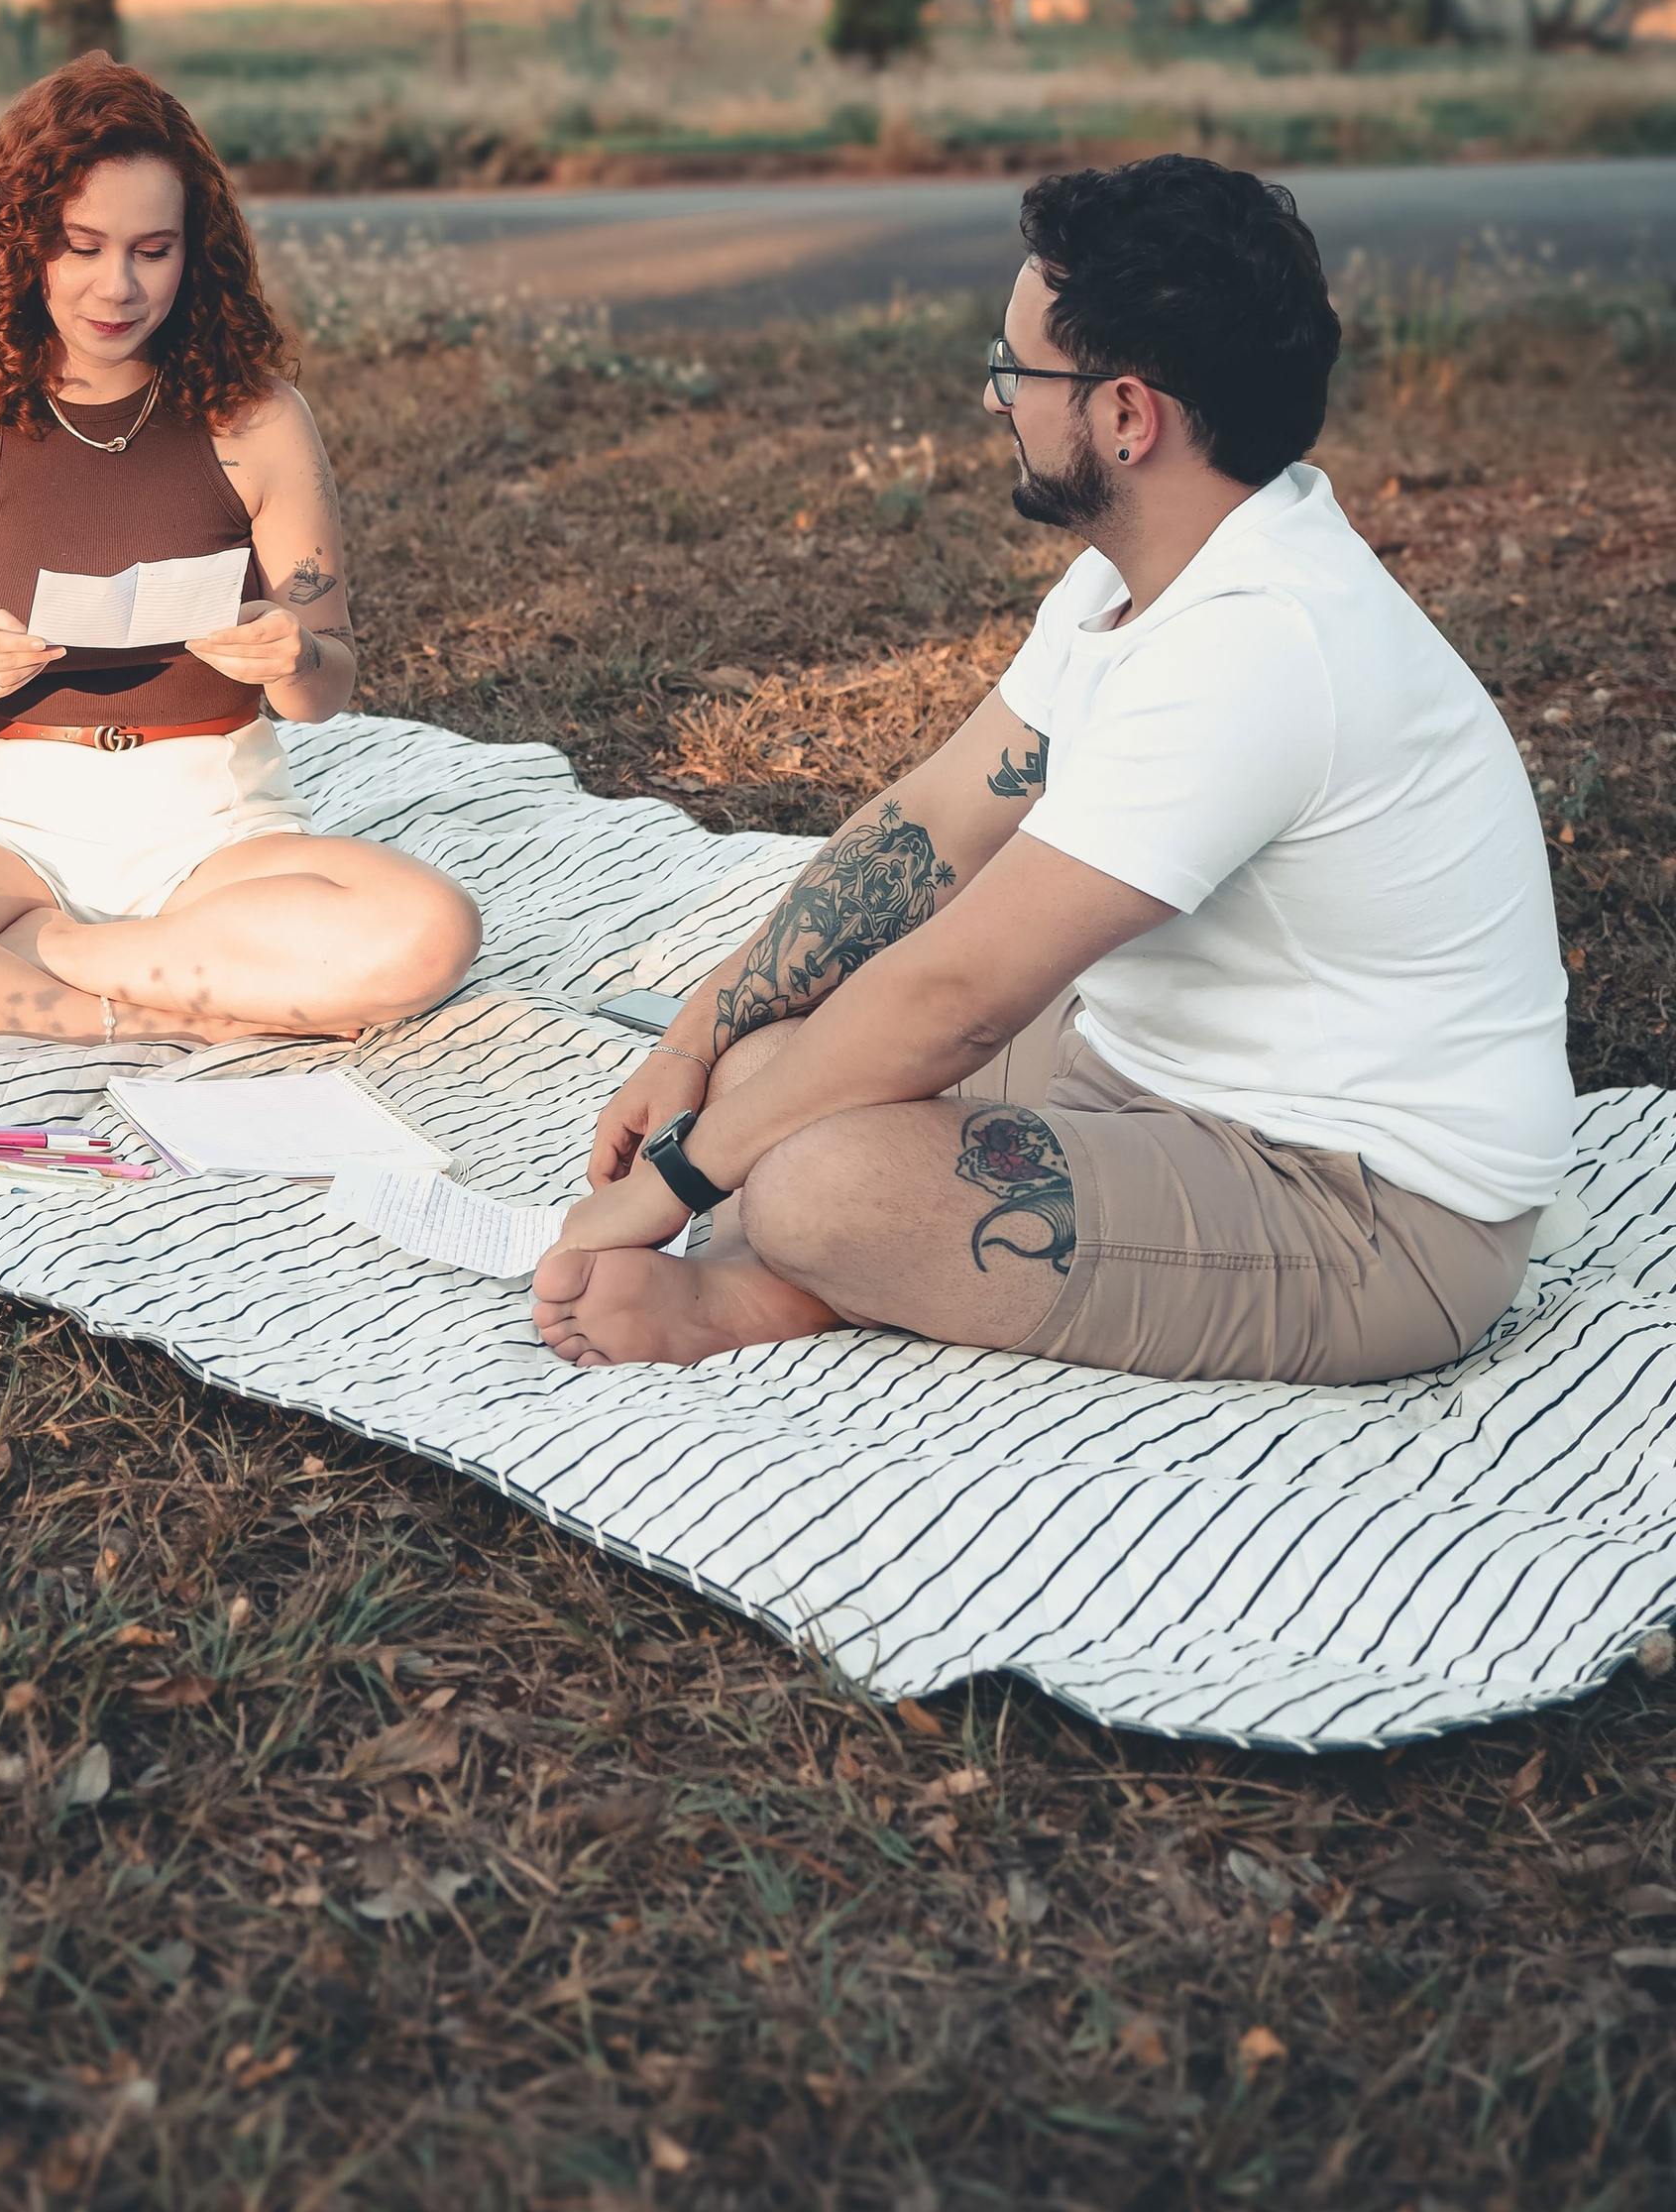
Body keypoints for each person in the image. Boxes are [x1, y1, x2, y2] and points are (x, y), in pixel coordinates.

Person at [533, 153, 1571, 1385]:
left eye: (1013, 369)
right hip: (1139, 1070)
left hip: (1362, 1206)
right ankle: (828, 1263)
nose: (994, 399)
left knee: (816, 1181)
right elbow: (933, 823)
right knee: (765, 1067)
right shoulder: (1134, 580)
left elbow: (961, 991)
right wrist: (687, 1045)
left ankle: (780, 1291)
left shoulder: (1257, 645)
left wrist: (673, 1182)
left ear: (1128, 416)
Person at [0, 57, 480, 1045]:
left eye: (153, 251)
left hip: (217, 838)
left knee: (430, 931)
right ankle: (126, 1011)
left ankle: (45, 957)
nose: (118, 287)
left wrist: (292, 654)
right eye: (81, 247)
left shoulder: (263, 420)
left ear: (195, 254)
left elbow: (326, 685)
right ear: (20, 244)